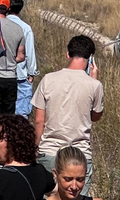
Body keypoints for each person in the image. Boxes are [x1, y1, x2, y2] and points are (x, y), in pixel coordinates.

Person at [32, 35, 104, 174]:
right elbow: (95, 116)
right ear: (90, 58)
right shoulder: (95, 85)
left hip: (50, 151)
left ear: (68, 54)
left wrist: (36, 148)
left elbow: (39, 121)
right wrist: (93, 79)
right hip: (80, 154)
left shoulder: (48, 79)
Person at [6, 0, 37, 116]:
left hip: (3, 73)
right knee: (21, 113)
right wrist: (31, 72)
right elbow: (30, 52)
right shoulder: (26, 28)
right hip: (21, 74)